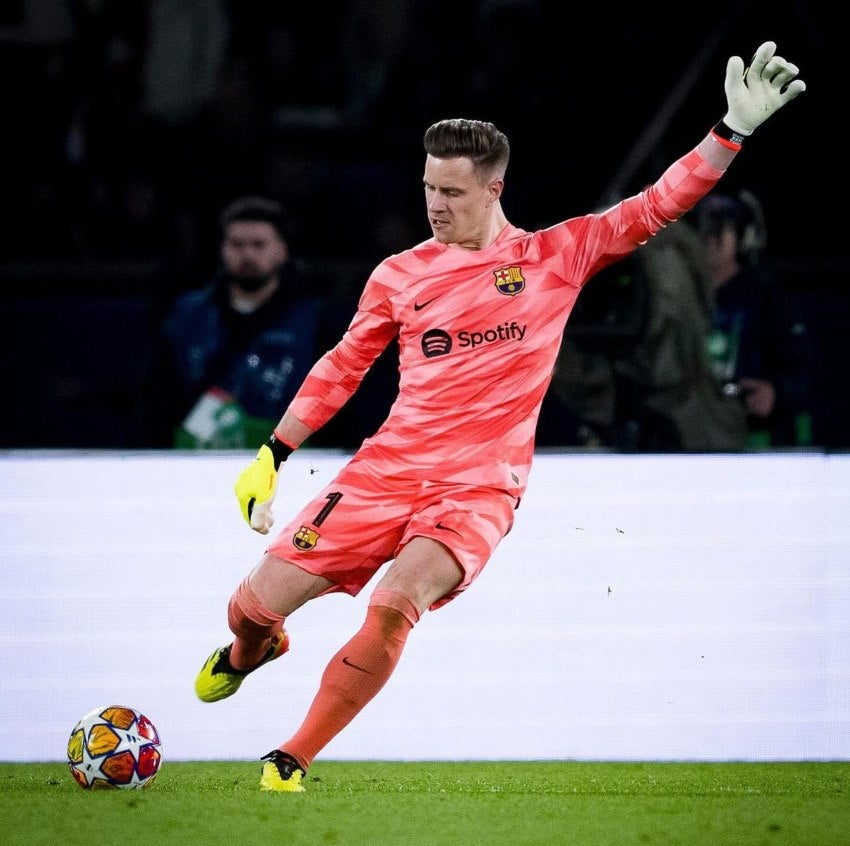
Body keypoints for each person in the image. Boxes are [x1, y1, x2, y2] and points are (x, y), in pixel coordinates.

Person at [194, 41, 805, 791]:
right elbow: (344, 365)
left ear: (494, 189)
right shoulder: (401, 274)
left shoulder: (555, 257)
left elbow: (656, 205)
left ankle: (292, 757)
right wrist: (274, 453)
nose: (435, 205)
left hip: (479, 488)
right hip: (385, 471)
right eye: (428, 188)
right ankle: (253, 649)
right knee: (251, 608)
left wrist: (730, 131)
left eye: (451, 192)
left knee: (393, 607)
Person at [139, 195, 327, 449]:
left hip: (284, 458)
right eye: (237, 244)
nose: (247, 254)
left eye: (259, 245)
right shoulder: (187, 315)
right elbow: (159, 395)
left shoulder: (313, 320)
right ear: (222, 249)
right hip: (196, 456)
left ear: (282, 251)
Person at [695, 189, 814, 448]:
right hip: (692, 433)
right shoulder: (677, 297)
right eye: (704, 230)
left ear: (743, 236)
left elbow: (806, 375)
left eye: (719, 231)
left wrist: (776, 392)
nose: (710, 240)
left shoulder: (768, 298)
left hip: (752, 440)